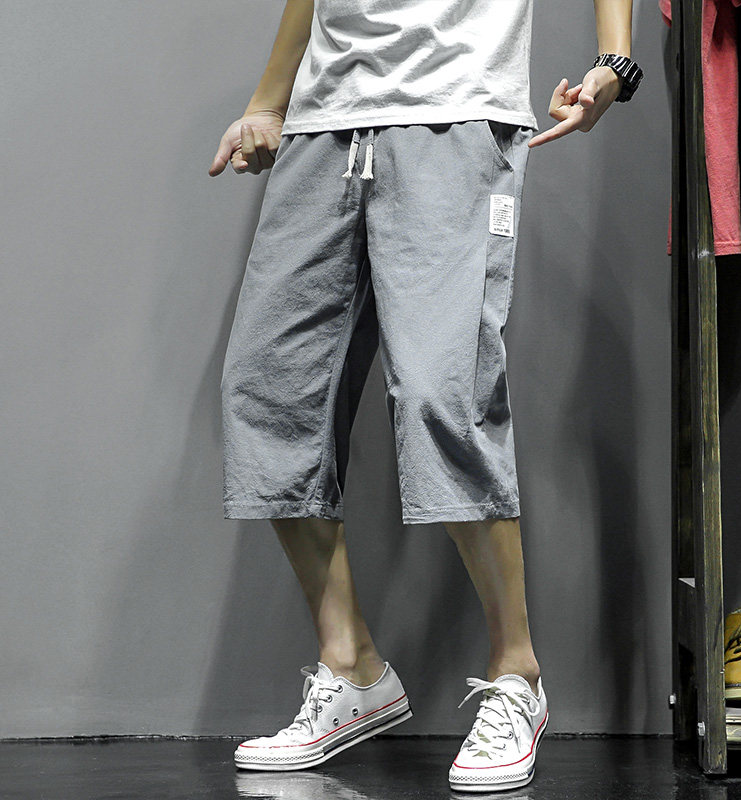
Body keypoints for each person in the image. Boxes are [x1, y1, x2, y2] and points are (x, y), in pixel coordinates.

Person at [209, 0, 641, 792]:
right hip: (325, 122)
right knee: (268, 388)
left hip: (458, 111)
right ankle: (352, 665)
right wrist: (268, 101)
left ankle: (518, 674)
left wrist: (614, 61)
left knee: (444, 393)